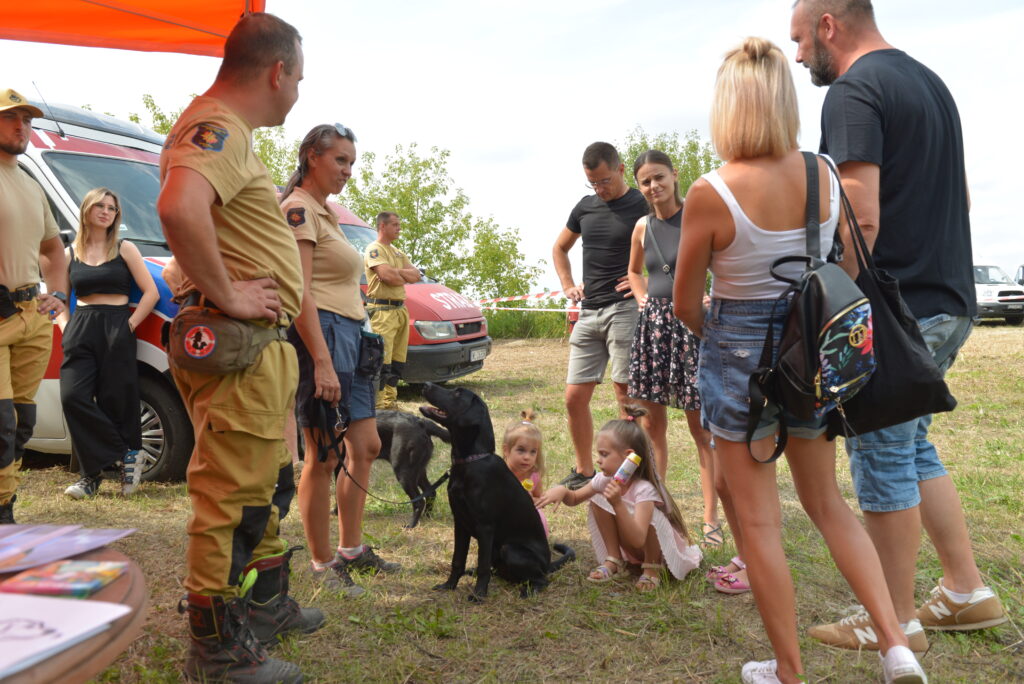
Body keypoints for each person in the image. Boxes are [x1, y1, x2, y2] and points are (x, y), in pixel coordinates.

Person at [673, 38, 925, 684]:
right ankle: (896, 644)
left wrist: (721, 335)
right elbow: (841, 262)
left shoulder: (710, 192)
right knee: (828, 502)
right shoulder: (824, 175)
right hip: (807, 354)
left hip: (737, 360)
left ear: (728, 107)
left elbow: (684, 304)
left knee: (757, 524)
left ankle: (789, 670)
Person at [790, 0, 1006, 652]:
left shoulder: (855, 90)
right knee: (912, 448)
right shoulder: (929, 84)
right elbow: (961, 195)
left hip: (896, 306)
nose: (798, 56)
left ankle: (893, 619)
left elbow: (861, 211)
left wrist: (836, 310)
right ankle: (966, 590)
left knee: (881, 454)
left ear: (829, 23)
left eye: (800, 40)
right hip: (949, 297)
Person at [156, 13, 323, 683]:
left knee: (260, 483)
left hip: (258, 346)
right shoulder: (217, 126)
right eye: (300, 79)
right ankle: (216, 651)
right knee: (230, 494)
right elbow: (176, 208)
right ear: (277, 71)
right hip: (238, 340)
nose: (299, 93)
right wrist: (226, 292)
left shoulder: (233, 133)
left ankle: (268, 603)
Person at [282, 123, 400, 599]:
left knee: (365, 444)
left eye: (352, 162)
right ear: (313, 156)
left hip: (353, 334)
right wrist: (322, 362)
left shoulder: (325, 213)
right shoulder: (296, 209)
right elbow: (300, 291)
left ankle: (352, 548)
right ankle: (320, 561)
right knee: (323, 453)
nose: (348, 170)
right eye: (340, 160)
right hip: (322, 337)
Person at [625, 149, 721, 549]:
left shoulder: (698, 216)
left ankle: (710, 519)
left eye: (659, 178)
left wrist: (712, 299)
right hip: (654, 331)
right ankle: (659, 507)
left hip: (692, 330)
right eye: (645, 181)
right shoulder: (642, 226)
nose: (653, 187)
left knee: (701, 430)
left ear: (674, 175)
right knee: (651, 427)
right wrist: (641, 297)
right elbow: (634, 271)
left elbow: (724, 266)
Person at [552, 142, 647, 490]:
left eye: (604, 181)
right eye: (593, 183)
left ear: (621, 169)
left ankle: (633, 475)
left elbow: (675, 244)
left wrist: (646, 279)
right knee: (573, 398)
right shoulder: (585, 207)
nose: (599, 189)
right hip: (590, 311)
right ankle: (584, 471)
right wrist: (567, 285)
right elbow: (560, 247)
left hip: (624, 309)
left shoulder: (643, 202)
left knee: (627, 398)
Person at [59, 188, 158, 499]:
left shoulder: (124, 248)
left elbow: (151, 292)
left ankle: (93, 477)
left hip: (118, 323)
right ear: (87, 210)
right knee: (73, 397)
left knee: (117, 397)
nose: (105, 211)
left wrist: (128, 324)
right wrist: (66, 328)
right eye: (99, 206)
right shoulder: (69, 252)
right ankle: (126, 452)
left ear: (117, 215)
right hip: (81, 326)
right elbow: (61, 300)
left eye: (112, 208)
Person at [537, 406, 700, 591]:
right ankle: (614, 560)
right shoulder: (603, 480)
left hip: (658, 552)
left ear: (628, 456)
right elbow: (575, 498)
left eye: (604, 454)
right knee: (598, 499)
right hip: (632, 546)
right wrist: (563, 492)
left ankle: (652, 569)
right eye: (598, 454)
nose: (598, 460)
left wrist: (618, 504)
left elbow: (639, 538)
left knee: (652, 517)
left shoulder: (643, 489)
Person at [0, 88, 68, 524]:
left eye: (26, 119)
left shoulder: (28, 181)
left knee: (22, 423)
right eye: (11, 118)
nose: (21, 126)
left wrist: (58, 295)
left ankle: (5, 504)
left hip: (32, 316)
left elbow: (53, 250)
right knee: (1, 423)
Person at [363, 212, 420, 410]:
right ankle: (379, 406)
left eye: (399, 224)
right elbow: (387, 276)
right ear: (382, 226)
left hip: (400, 310)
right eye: (395, 224)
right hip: (382, 310)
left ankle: (390, 402)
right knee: (382, 361)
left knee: (397, 361)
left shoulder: (397, 252)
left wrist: (398, 274)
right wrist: (399, 275)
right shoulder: (374, 249)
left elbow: (416, 275)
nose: (399, 228)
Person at [501, 409, 549, 537]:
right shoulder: (501, 474)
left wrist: (532, 500)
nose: (527, 457)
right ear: (506, 450)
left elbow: (539, 498)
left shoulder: (534, 476)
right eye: (521, 450)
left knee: (539, 518)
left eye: (532, 452)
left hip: (526, 518)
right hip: (503, 518)